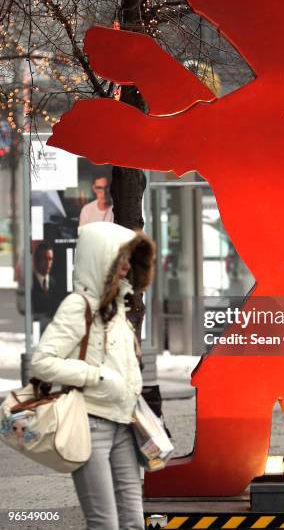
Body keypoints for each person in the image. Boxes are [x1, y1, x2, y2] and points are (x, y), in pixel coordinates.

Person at [31, 221, 156, 530]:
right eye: (120, 257)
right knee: (105, 524)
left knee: (133, 522)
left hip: (124, 424)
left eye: (130, 257)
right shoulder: (78, 305)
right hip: (90, 426)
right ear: (102, 259)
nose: (127, 264)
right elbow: (42, 362)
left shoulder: (118, 307)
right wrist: (96, 376)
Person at [32, 241, 59, 323]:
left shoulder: (53, 283)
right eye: (44, 259)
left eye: (50, 259)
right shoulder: (31, 282)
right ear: (36, 260)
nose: (48, 263)